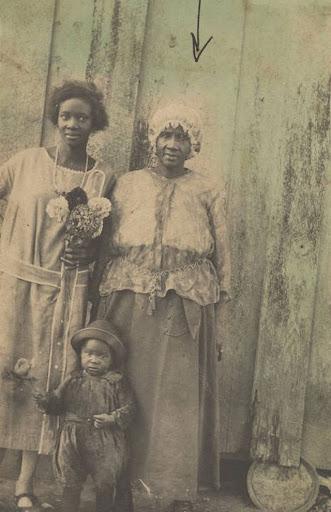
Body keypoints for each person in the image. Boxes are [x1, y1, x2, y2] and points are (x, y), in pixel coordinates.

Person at [93, 103, 231, 511]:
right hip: (127, 299)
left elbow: (224, 256)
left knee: (174, 401)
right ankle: (119, 486)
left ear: (194, 144)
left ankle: (172, 489)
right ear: (152, 140)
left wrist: (220, 316)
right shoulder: (128, 184)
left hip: (183, 305)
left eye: (182, 137)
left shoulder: (209, 190)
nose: (172, 145)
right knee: (123, 392)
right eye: (165, 136)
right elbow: (105, 246)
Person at [0, 80, 113, 511]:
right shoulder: (27, 162)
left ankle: (25, 484)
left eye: (81, 117)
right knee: (6, 374)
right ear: (55, 117)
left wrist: (88, 246)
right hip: (17, 284)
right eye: (65, 115)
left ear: (93, 123)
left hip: (67, 291)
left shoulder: (101, 176)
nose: (72, 124)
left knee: (45, 384)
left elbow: (107, 239)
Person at [34, 319, 135, 512]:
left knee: (105, 482)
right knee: (70, 482)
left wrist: (112, 418)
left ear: (111, 359)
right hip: (72, 439)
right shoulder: (73, 378)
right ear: (81, 354)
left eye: (102, 356)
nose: (94, 360)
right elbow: (57, 402)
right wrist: (45, 400)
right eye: (89, 354)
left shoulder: (116, 382)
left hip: (104, 440)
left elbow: (130, 408)